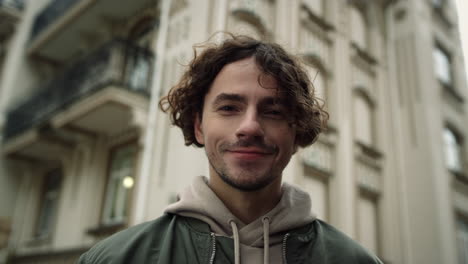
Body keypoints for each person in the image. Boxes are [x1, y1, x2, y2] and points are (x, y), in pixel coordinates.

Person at [78, 35, 383, 264]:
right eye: (228, 107)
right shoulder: (114, 259)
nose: (249, 126)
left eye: (273, 111)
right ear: (198, 125)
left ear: (297, 130)